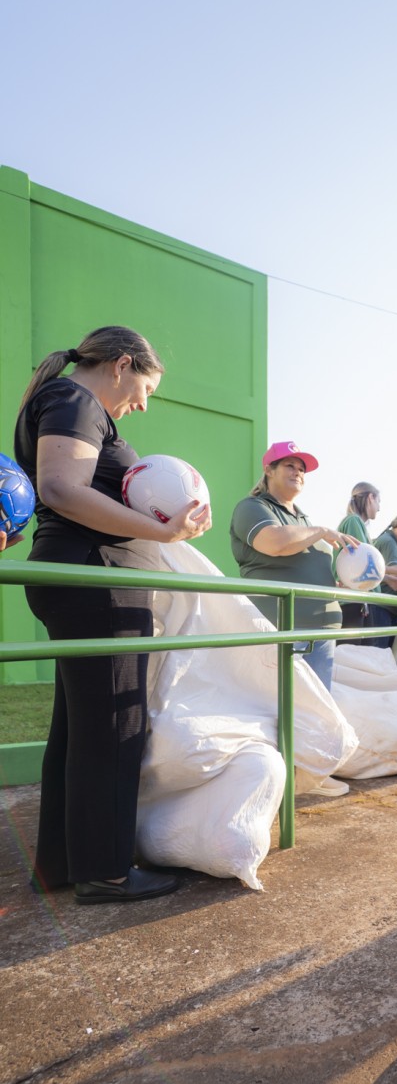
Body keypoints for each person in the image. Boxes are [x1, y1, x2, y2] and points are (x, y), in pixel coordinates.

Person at [13, 326, 212, 903]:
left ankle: (61, 864)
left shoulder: (65, 400)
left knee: (79, 729)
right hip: (97, 582)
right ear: (122, 365)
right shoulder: (75, 399)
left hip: (84, 580)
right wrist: (161, 531)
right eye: (146, 389)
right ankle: (105, 871)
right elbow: (60, 487)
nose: (144, 405)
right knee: (115, 728)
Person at [230, 442, 355, 696]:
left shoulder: (303, 519)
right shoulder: (252, 507)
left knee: (316, 711)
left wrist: (333, 583)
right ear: (269, 470)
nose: (297, 472)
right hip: (283, 632)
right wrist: (321, 531)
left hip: (322, 633)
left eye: (302, 469)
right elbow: (275, 543)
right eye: (290, 465)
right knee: (283, 710)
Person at [338, 482, 382, 642]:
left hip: (358, 601)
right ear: (370, 498)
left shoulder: (355, 522)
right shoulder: (353, 521)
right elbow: (362, 564)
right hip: (354, 603)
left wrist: (389, 577)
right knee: (354, 652)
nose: (379, 508)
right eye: (378, 502)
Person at [370, 512, 397, 650]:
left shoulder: (393, 542)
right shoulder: (389, 541)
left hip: (388, 608)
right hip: (382, 607)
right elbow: (396, 570)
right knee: (380, 652)